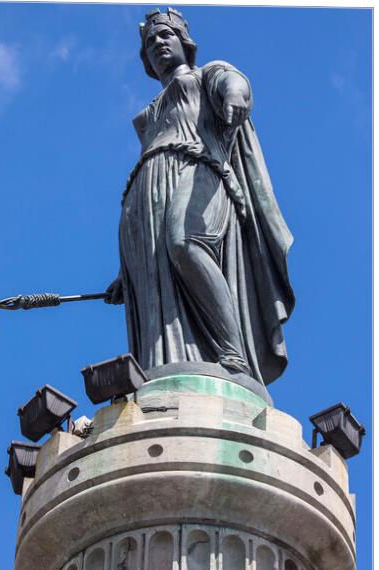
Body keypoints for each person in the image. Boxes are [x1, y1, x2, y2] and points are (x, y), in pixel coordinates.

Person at [106, 8, 294, 387]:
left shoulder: (203, 74)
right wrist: (126, 273)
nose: (158, 43)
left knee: (186, 243)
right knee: (155, 277)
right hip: (145, 193)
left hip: (199, 169)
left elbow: (232, 81)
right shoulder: (146, 117)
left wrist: (237, 95)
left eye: (165, 36)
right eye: (150, 42)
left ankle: (233, 353)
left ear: (183, 41)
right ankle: (171, 366)